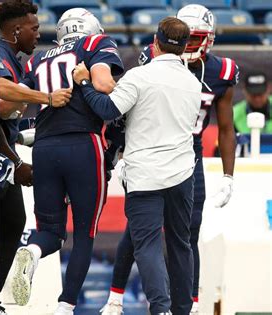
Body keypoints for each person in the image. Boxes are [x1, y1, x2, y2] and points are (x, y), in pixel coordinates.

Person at [101, 5, 239, 315]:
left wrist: (229, 175)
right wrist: (118, 154)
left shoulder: (219, 72)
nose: (189, 47)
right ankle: (116, 297)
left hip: (188, 154)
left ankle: (187, 305)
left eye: (195, 39)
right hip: (157, 148)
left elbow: (227, 128)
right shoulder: (154, 65)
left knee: (186, 233)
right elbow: (131, 117)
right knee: (138, 233)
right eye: (186, 39)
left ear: (209, 39)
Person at [73, 17, 202, 315]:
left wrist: (83, 81)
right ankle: (183, 310)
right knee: (181, 244)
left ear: (155, 43)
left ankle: (161, 309)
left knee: (147, 245)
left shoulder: (139, 76)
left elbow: (107, 109)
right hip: (182, 173)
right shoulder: (192, 83)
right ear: (184, 48)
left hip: (144, 175)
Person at [10, 8, 124, 314]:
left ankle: (32, 252)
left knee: (50, 232)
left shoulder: (37, 59)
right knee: (85, 233)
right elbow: (103, 86)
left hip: (44, 147)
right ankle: (65, 306)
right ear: (92, 28)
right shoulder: (93, 45)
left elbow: (13, 105)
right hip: (83, 145)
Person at [0, 0, 39, 295]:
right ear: (15, 30)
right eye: (34, 28)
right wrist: (16, 161)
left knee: (13, 223)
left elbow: (8, 119)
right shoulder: (0, 56)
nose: (38, 33)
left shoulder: (14, 58)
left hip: (4, 156)